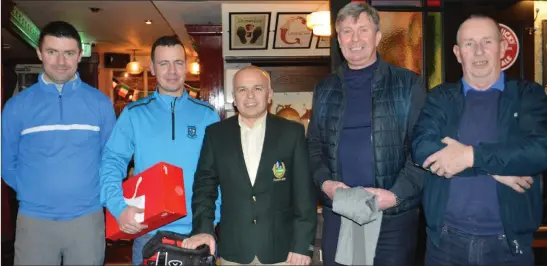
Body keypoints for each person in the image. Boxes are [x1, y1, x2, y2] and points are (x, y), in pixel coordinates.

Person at [412, 15, 547, 266]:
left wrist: (470, 156)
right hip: (445, 246)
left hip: (508, 247)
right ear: (457, 52)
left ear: (502, 47)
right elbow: (421, 148)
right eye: (469, 43)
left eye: (487, 41)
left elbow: (539, 150)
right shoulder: (441, 97)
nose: (478, 51)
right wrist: (492, 168)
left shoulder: (529, 95)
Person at [307, 2, 427, 265]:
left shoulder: (408, 84)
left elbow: (423, 149)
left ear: (378, 37)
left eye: (363, 29)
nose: (355, 38)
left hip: (391, 217)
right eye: (347, 32)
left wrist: (395, 195)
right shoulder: (324, 89)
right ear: (339, 40)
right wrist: (325, 183)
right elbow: (314, 147)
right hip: (341, 213)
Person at [1, 21, 116, 265]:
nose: (61, 62)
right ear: (39, 53)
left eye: (69, 53)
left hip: (87, 219)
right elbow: (5, 161)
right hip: (34, 221)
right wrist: (31, 192)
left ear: (80, 55)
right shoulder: (16, 107)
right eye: (52, 52)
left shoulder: (100, 104)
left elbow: (111, 160)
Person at [100, 35, 221, 266]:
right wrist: (118, 207)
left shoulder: (207, 114)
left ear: (186, 66)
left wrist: (211, 223)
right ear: (153, 68)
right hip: (149, 231)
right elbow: (112, 162)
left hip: (198, 232)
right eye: (164, 63)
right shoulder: (134, 113)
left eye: (177, 62)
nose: (172, 70)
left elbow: (220, 173)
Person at [183, 66, 317, 266]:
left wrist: (302, 245)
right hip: (234, 250)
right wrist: (203, 229)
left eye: (257, 88)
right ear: (234, 98)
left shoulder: (292, 133)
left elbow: (304, 194)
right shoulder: (215, 135)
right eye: (242, 90)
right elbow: (204, 188)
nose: (250, 96)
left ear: (270, 94)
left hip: (284, 252)